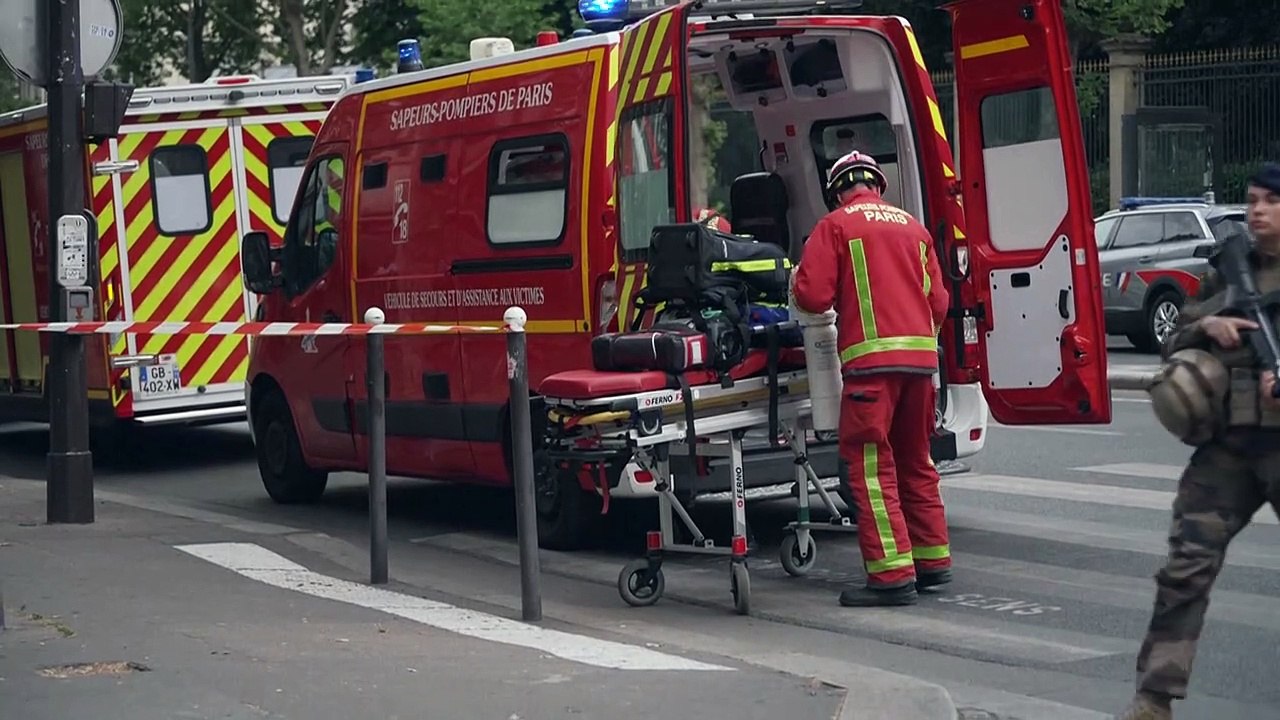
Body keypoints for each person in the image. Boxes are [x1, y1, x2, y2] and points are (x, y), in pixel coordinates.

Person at [1117, 162, 1280, 720]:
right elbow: (1172, 341)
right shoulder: (1228, 273)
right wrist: (1207, 327)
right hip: (1229, 447)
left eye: (1271, 201)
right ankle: (1153, 698)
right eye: (1253, 200)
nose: (1257, 211)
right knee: (1186, 568)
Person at [790, 150, 951, 607]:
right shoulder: (914, 228)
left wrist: (799, 284)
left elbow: (813, 296)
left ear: (836, 192)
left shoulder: (835, 226)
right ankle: (932, 561)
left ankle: (891, 576)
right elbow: (939, 303)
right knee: (916, 461)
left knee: (871, 469)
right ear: (879, 186)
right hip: (921, 366)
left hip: (871, 370)